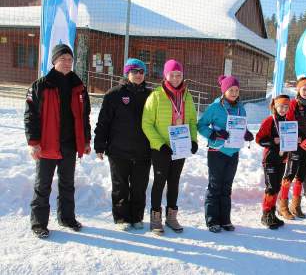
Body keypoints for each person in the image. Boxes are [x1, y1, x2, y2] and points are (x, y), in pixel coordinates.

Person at [24, 44, 91, 238]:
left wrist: (85, 140)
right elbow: (30, 116)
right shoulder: (41, 85)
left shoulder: (78, 86)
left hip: (70, 144)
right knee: (42, 185)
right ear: (54, 61)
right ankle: (39, 223)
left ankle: (67, 218)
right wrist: (33, 142)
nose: (67, 62)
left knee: (67, 184)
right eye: (63, 59)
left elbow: (84, 115)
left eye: (70, 59)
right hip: (47, 144)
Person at [141, 59, 198, 235]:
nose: (175, 78)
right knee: (159, 182)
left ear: (183, 76)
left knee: (174, 182)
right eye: (172, 74)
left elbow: (192, 122)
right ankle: (155, 218)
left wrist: (193, 140)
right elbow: (146, 124)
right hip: (162, 149)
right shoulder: (156, 96)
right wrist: (160, 145)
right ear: (165, 75)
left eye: (178, 74)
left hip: (180, 147)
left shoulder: (187, 96)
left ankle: (171, 216)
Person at [94, 58, 151, 231]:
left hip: (143, 150)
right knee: (120, 186)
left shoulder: (151, 95)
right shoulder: (114, 94)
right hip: (118, 150)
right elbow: (103, 122)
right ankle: (121, 218)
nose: (139, 75)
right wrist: (99, 145)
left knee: (139, 186)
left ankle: (136, 217)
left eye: (141, 72)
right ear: (127, 73)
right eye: (135, 71)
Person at [197, 75, 254, 233]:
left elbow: (241, 128)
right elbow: (200, 125)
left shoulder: (240, 108)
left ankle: (225, 219)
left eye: (236, 90)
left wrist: (247, 134)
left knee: (226, 187)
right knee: (215, 186)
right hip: (217, 150)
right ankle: (212, 220)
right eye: (231, 90)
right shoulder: (215, 107)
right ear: (224, 91)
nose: (234, 92)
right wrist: (213, 134)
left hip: (233, 152)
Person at [278, 77, 306, 220]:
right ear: (298, 90)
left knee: (301, 176)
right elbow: (288, 124)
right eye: (304, 89)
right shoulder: (293, 104)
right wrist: (299, 139)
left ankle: (296, 205)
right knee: (289, 175)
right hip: (295, 145)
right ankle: (283, 206)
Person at [256, 95, 290, 229]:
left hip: (282, 159)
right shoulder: (269, 121)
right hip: (269, 159)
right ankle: (266, 214)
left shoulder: (289, 122)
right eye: (281, 106)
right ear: (275, 106)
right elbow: (259, 139)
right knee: (270, 187)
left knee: (277, 187)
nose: (283, 109)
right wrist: (272, 141)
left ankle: (272, 213)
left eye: (286, 107)